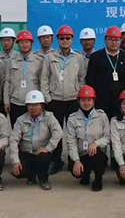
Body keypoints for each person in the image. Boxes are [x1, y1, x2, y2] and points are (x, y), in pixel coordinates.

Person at [40, 25, 86, 174]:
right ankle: (56, 161)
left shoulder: (78, 57)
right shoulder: (50, 57)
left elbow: (82, 79)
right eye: (62, 38)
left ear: (72, 39)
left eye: (67, 38)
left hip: (73, 100)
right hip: (55, 100)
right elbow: (44, 79)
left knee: (75, 132)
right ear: (57, 40)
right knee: (56, 132)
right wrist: (48, 99)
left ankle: (74, 160)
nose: (65, 41)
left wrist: (80, 97)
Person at [10, 90, 63, 191]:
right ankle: (31, 176)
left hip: (41, 153)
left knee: (43, 157)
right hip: (26, 153)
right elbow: (13, 140)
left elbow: (59, 133)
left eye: (37, 105)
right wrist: (15, 161)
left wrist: (48, 148)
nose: (33, 108)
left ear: (42, 106)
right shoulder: (21, 120)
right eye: (31, 105)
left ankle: (43, 179)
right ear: (27, 106)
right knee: (19, 171)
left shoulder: (49, 117)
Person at [66, 86, 111, 192]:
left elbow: (107, 136)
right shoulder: (72, 118)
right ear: (79, 101)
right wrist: (76, 160)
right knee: (76, 170)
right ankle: (85, 174)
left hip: (96, 153)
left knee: (98, 157)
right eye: (83, 100)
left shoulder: (102, 116)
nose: (86, 103)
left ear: (94, 101)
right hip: (81, 154)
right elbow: (71, 142)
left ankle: (98, 180)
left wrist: (96, 143)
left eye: (89, 100)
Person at [86, 26, 125, 119]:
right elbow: (90, 80)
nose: (113, 42)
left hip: (120, 102)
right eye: (111, 39)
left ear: (120, 41)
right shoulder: (96, 57)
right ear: (105, 40)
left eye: (116, 40)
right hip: (101, 101)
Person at [4, 30, 44, 127]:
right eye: (21, 42)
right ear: (17, 44)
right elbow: (7, 82)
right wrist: (6, 101)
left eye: (27, 42)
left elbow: (42, 82)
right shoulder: (11, 61)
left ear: (31, 44)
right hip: (16, 102)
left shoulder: (39, 61)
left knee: (33, 129)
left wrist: (42, 102)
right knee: (16, 129)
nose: (24, 45)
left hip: (33, 103)